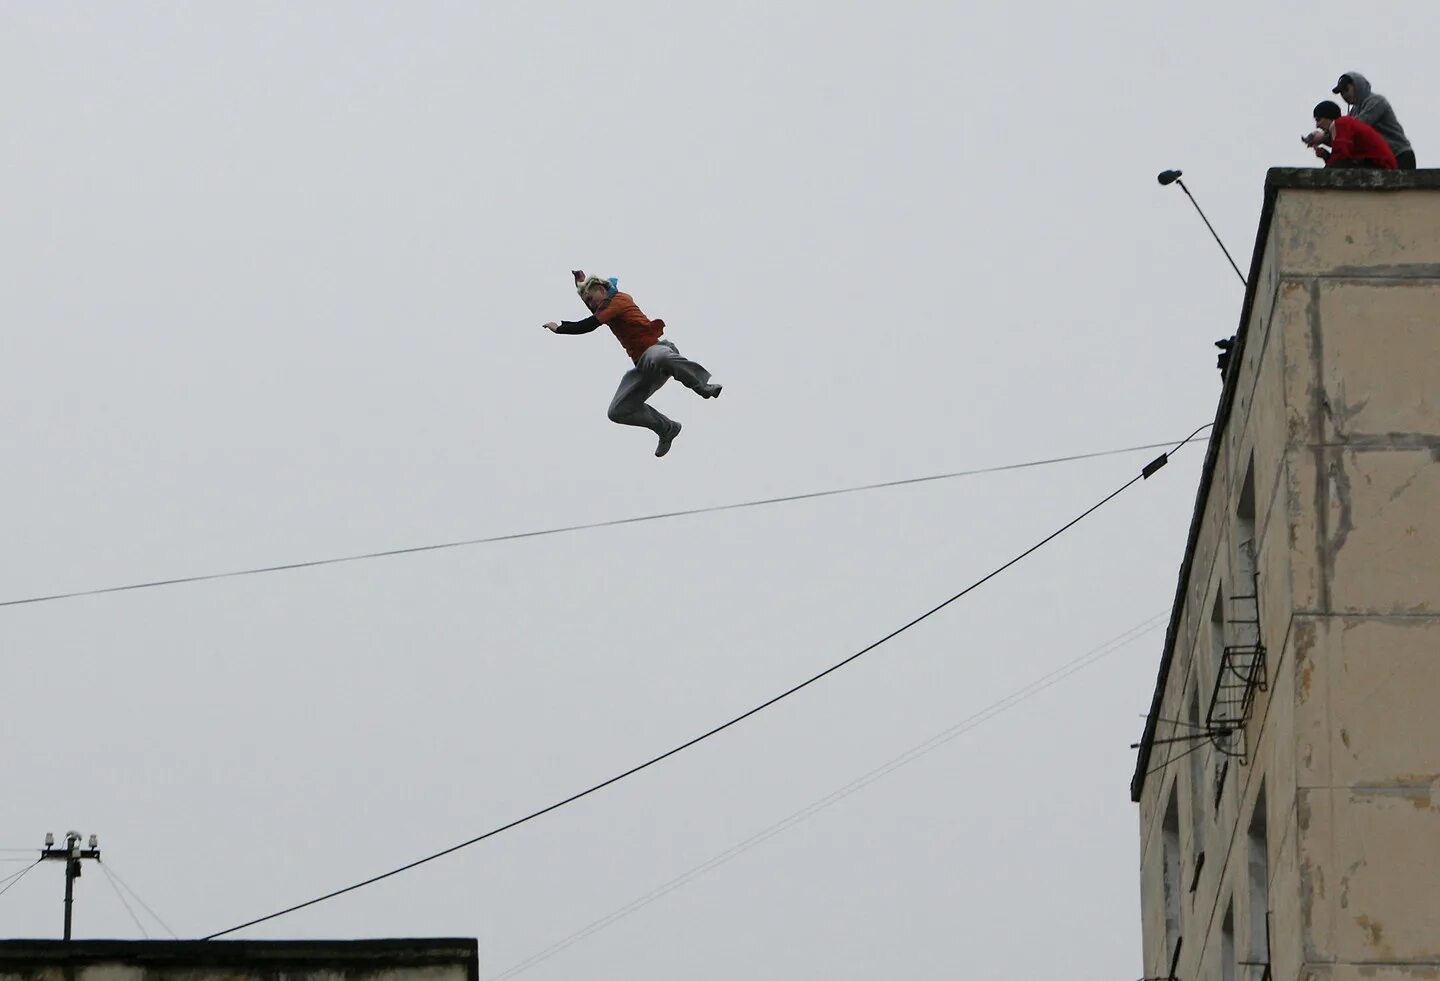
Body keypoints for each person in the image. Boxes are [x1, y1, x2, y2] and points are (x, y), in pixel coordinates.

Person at [544, 271, 722, 458]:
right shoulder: (603, 304)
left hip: (657, 351)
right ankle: (667, 429)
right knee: (617, 411)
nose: (591, 305)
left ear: (601, 289)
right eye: (587, 303)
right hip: (644, 369)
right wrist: (580, 283)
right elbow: (593, 306)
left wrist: (560, 329)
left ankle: (702, 387)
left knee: (660, 357)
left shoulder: (619, 301)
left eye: (591, 300)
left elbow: (588, 324)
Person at [1333, 71, 1415, 170]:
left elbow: (1359, 124)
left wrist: (1326, 134)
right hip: (1382, 159)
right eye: (1341, 93)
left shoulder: (1376, 101)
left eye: (1346, 89)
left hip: (1400, 154)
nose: (1345, 95)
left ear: (1357, 85)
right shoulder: (1353, 112)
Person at [1304, 101, 1397, 170]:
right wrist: (1326, 156)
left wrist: (1324, 174)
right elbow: (1344, 157)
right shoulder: (1342, 126)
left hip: (1380, 165)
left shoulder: (1341, 123)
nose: (1317, 125)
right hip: (1378, 164)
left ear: (1328, 116)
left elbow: (1342, 156)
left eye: (1318, 119)